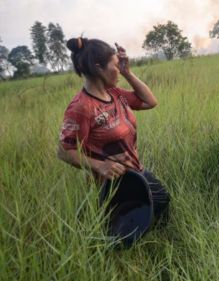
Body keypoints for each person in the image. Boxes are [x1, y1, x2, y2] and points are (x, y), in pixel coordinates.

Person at [58, 37, 170, 227]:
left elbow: (150, 102)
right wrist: (100, 166)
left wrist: (127, 72)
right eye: (116, 65)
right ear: (98, 68)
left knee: (161, 202)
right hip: (110, 183)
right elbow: (63, 151)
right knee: (124, 227)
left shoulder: (115, 93)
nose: (119, 70)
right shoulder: (82, 107)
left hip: (135, 170)